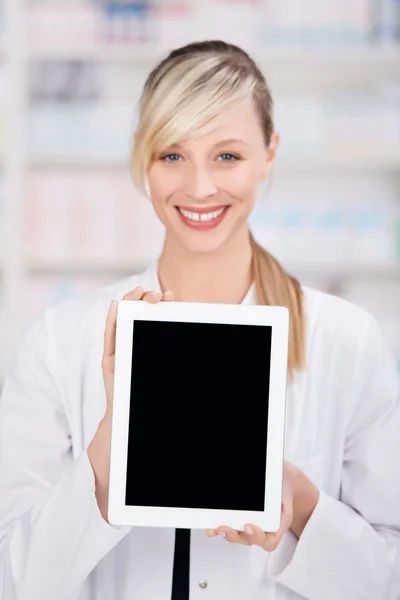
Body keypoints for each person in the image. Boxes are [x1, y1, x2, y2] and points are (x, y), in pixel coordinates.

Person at [0, 40, 399, 600]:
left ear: (270, 153)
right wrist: (110, 454)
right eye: (172, 155)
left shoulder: (345, 340)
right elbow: (16, 581)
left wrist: (301, 506)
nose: (200, 187)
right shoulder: (62, 341)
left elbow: (388, 577)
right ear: (144, 159)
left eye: (227, 156)